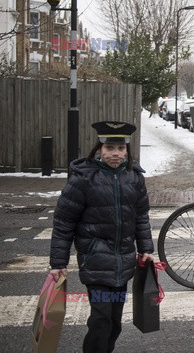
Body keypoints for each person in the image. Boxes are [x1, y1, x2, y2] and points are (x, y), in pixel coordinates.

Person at [49, 121, 154, 353]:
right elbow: (64, 222)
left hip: (124, 262)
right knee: (101, 318)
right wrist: (58, 262)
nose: (115, 154)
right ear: (99, 149)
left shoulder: (135, 178)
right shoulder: (83, 179)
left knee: (115, 321)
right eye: (109, 148)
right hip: (95, 262)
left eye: (120, 149)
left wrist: (146, 248)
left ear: (127, 150)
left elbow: (141, 216)